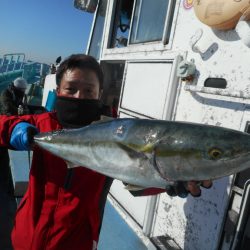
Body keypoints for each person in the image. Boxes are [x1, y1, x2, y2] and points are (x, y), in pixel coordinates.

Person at [0, 54, 211, 250]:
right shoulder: (41, 124)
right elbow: (2, 124)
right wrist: (14, 129)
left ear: (99, 94)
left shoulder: (116, 134)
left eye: (89, 90)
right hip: (25, 237)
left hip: (76, 243)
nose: (80, 96)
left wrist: (169, 180)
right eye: (71, 88)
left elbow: (135, 181)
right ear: (57, 92)